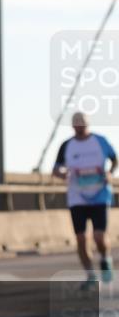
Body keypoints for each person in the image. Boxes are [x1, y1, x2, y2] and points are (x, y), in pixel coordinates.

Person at [52, 111, 117, 289]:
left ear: (88, 125)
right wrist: (64, 174)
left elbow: (114, 159)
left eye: (83, 125)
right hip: (77, 197)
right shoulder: (67, 145)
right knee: (81, 238)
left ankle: (105, 259)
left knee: (99, 236)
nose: (80, 128)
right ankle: (90, 275)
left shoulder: (100, 141)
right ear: (73, 126)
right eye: (77, 125)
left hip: (100, 194)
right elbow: (56, 170)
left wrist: (110, 172)